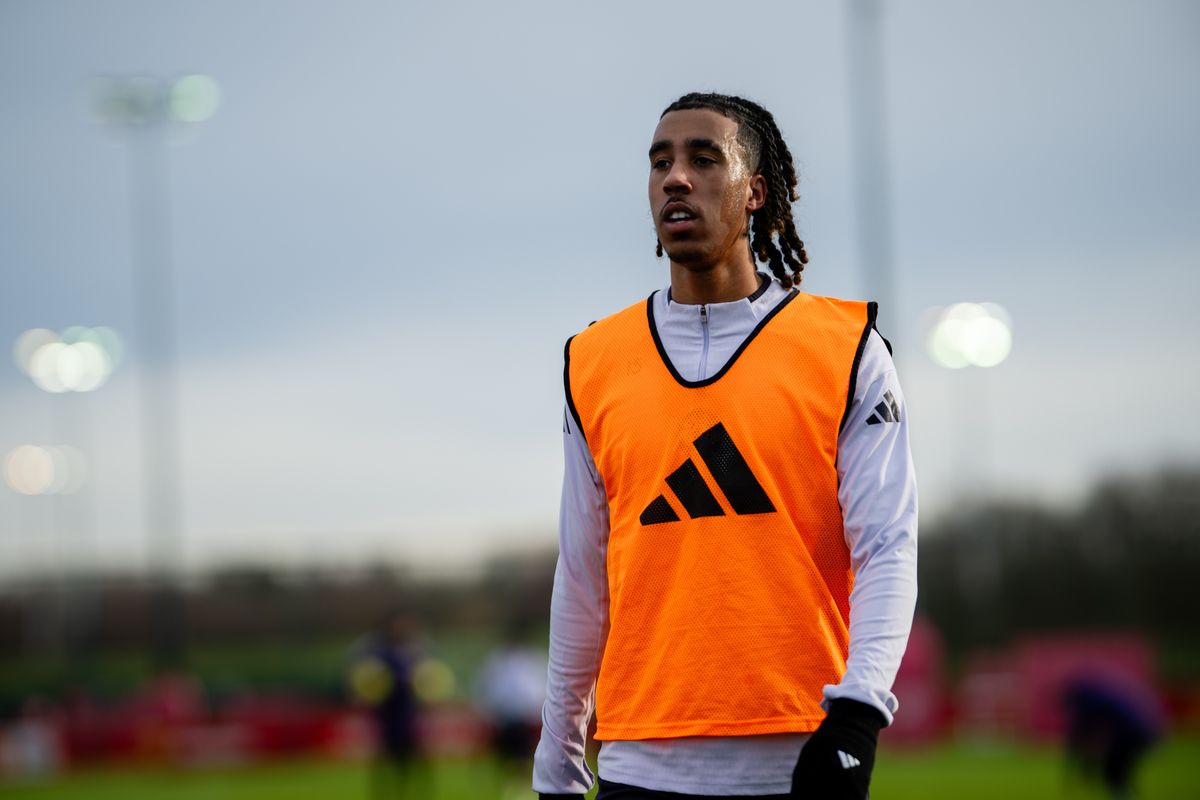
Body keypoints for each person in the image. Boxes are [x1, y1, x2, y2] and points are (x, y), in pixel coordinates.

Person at [532, 92, 918, 799]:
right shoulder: (592, 360)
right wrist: (557, 757)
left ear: (755, 193)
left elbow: (888, 549)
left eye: (704, 159)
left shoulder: (847, 350)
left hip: (804, 757)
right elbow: (583, 575)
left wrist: (859, 711)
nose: (676, 178)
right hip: (637, 762)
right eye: (660, 163)